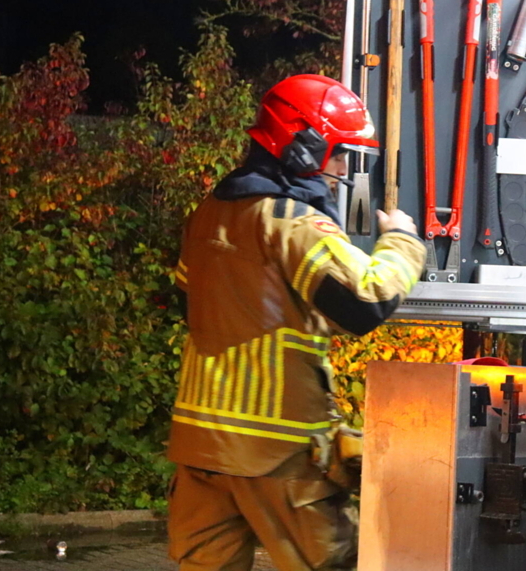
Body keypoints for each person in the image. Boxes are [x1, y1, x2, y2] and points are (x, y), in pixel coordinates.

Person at [167, 74, 425, 571]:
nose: (342, 167)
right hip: (274, 451)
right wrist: (402, 241)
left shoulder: (209, 213)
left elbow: (190, 304)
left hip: (199, 446)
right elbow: (366, 301)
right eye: (339, 152)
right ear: (303, 146)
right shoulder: (292, 221)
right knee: (335, 564)